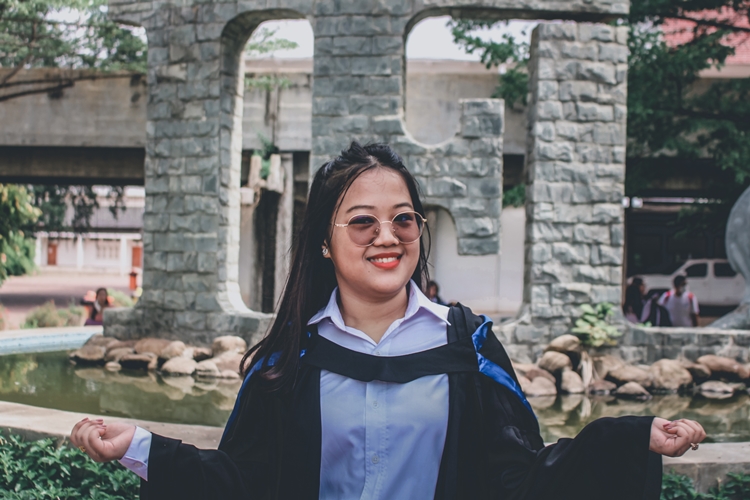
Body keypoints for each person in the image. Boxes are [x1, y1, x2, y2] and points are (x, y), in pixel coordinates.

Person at [70, 142, 706, 500]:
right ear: (325, 242)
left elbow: (518, 477)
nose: (387, 235)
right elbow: (242, 482)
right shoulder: (290, 357)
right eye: (362, 221)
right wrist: (140, 446)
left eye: (404, 218)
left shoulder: (467, 345)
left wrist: (626, 440)